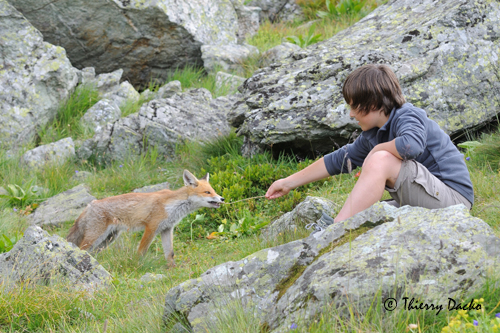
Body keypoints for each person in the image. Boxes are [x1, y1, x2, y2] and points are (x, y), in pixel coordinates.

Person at [265, 64, 473, 223]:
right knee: (369, 216)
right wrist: (288, 182)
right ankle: (342, 227)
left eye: (354, 106)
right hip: (429, 197)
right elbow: (339, 160)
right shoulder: (374, 133)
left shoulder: (408, 116)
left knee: (382, 159)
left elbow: (411, 145)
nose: (351, 114)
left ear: (372, 104)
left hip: (453, 201)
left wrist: (377, 151)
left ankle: (337, 230)